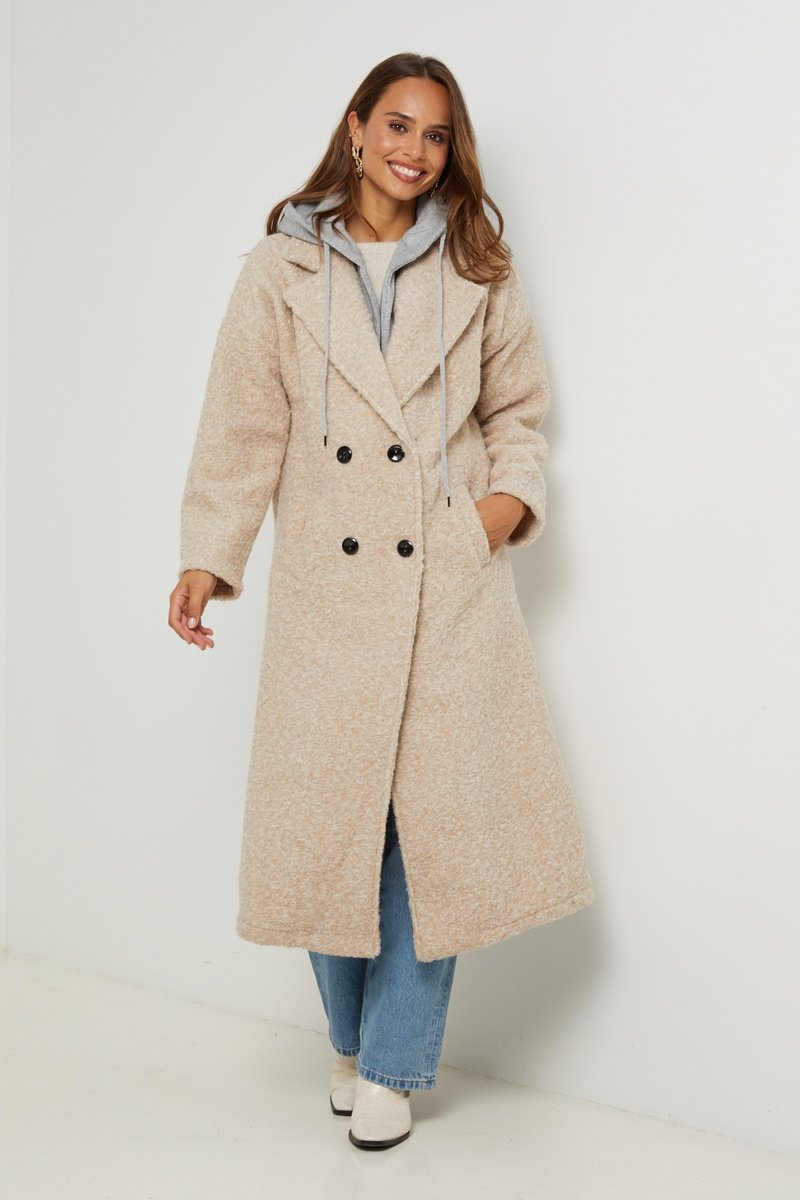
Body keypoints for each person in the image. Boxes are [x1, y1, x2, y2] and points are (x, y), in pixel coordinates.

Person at [169, 52, 594, 1152]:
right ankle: (352, 1044)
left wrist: (495, 514)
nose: (415, 150)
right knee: (332, 829)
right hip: (329, 588)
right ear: (355, 128)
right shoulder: (279, 269)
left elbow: (518, 413)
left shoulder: (477, 266)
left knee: (430, 838)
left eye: (436, 134)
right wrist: (209, 556)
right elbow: (242, 422)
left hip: (447, 589)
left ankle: (394, 1064)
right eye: (397, 125)